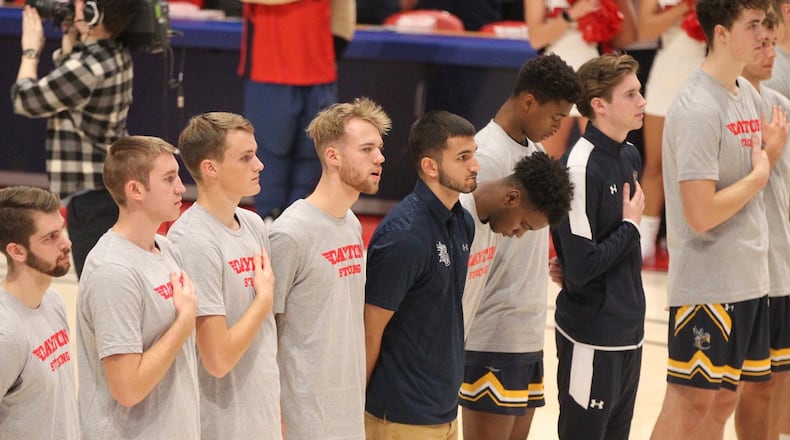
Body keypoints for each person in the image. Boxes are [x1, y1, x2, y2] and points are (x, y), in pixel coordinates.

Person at [650, 0, 788, 438]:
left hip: (749, 280)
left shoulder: (746, 94)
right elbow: (700, 213)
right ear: (722, 34)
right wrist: (761, 172)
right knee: (690, 403)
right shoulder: (696, 107)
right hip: (708, 283)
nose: (764, 36)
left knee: (725, 399)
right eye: (752, 26)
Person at [458, 53, 582, 440]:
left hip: (525, 331)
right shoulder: (485, 158)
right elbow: (469, 256)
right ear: (529, 101)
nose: (559, 127)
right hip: (491, 333)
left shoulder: (536, 153)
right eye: (556, 117)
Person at [269, 97, 390, 439]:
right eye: (366, 149)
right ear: (333, 156)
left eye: (379, 148)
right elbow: (265, 333)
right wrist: (276, 418)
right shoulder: (290, 233)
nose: (379, 158)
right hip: (302, 422)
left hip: (345, 413)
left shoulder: (350, 223)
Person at [364, 110, 479, 439]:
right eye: (463, 157)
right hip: (400, 416)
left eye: (474, 154)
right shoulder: (405, 236)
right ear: (430, 166)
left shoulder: (461, 222)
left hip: (443, 409)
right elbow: (370, 330)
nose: (475, 165)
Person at [550, 53, 647, 440]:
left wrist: (627, 230)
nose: (643, 102)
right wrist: (629, 227)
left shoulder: (629, 154)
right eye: (631, 95)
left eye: (639, 92)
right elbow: (582, 267)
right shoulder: (578, 168)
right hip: (591, 337)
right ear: (599, 105)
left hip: (630, 333)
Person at [77, 136, 199, 439]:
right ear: (135, 190)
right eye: (169, 179)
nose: (181, 188)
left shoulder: (167, 248)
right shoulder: (113, 271)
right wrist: (184, 322)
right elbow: (128, 389)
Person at [167, 113, 280, 439]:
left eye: (255, 154)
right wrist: (263, 300)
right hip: (221, 425)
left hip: (262, 416)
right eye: (246, 158)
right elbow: (217, 359)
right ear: (210, 168)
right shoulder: (193, 240)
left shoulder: (254, 224)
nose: (259, 165)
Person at [11, 0, 137, 278]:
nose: (73, 8)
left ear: (94, 14)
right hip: (105, 187)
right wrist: (72, 37)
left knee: (97, 283)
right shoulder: (114, 52)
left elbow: (26, 99)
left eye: (80, 5)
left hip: (92, 195)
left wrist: (30, 50)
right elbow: (68, 82)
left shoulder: (88, 66)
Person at [459, 154, 573, 440]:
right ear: (511, 198)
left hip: (524, 336)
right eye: (524, 224)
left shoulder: (493, 222)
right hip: (488, 343)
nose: (520, 234)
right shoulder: (459, 218)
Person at [240, 0, 352, 220]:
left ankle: (301, 218)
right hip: (269, 67)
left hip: (319, 66)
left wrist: (340, 39)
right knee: (270, 151)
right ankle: (270, 217)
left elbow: (344, 10)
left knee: (315, 150)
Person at [734, 10, 790, 440]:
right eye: (762, 42)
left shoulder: (780, 103)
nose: (769, 51)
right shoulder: (731, 104)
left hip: (783, 259)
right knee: (753, 385)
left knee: (781, 381)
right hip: (752, 267)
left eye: (773, 43)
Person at [0, 186, 78, 439]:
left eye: (62, 230)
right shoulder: (6, 335)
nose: (66, 243)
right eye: (50, 237)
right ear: (17, 251)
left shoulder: (52, 300)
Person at [636, 0, 707, 261]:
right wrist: (686, 6)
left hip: (704, 71)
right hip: (667, 71)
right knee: (655, 164)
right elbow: (645, 30)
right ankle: (644, 240)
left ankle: (689, 237)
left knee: (699, 163)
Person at [525, 0, 638, 158]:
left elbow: (628, 37)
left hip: (593, 71)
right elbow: (536, 38)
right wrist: (571, 14)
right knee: (548, 156)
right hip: (555, 73)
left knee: (601, 152)